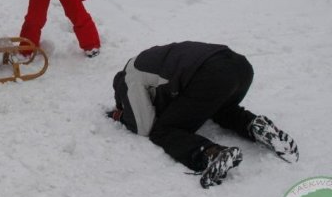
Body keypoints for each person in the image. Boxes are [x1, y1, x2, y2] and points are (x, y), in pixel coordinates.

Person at [108, 41, 299, 188]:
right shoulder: (149, 59)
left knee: (163, 130)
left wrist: (121, 116)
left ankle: (211, 154)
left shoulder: (129, 78)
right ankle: (256, 126)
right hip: (240, 67)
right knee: (219, 109)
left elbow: (144, 126)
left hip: (211, 74)